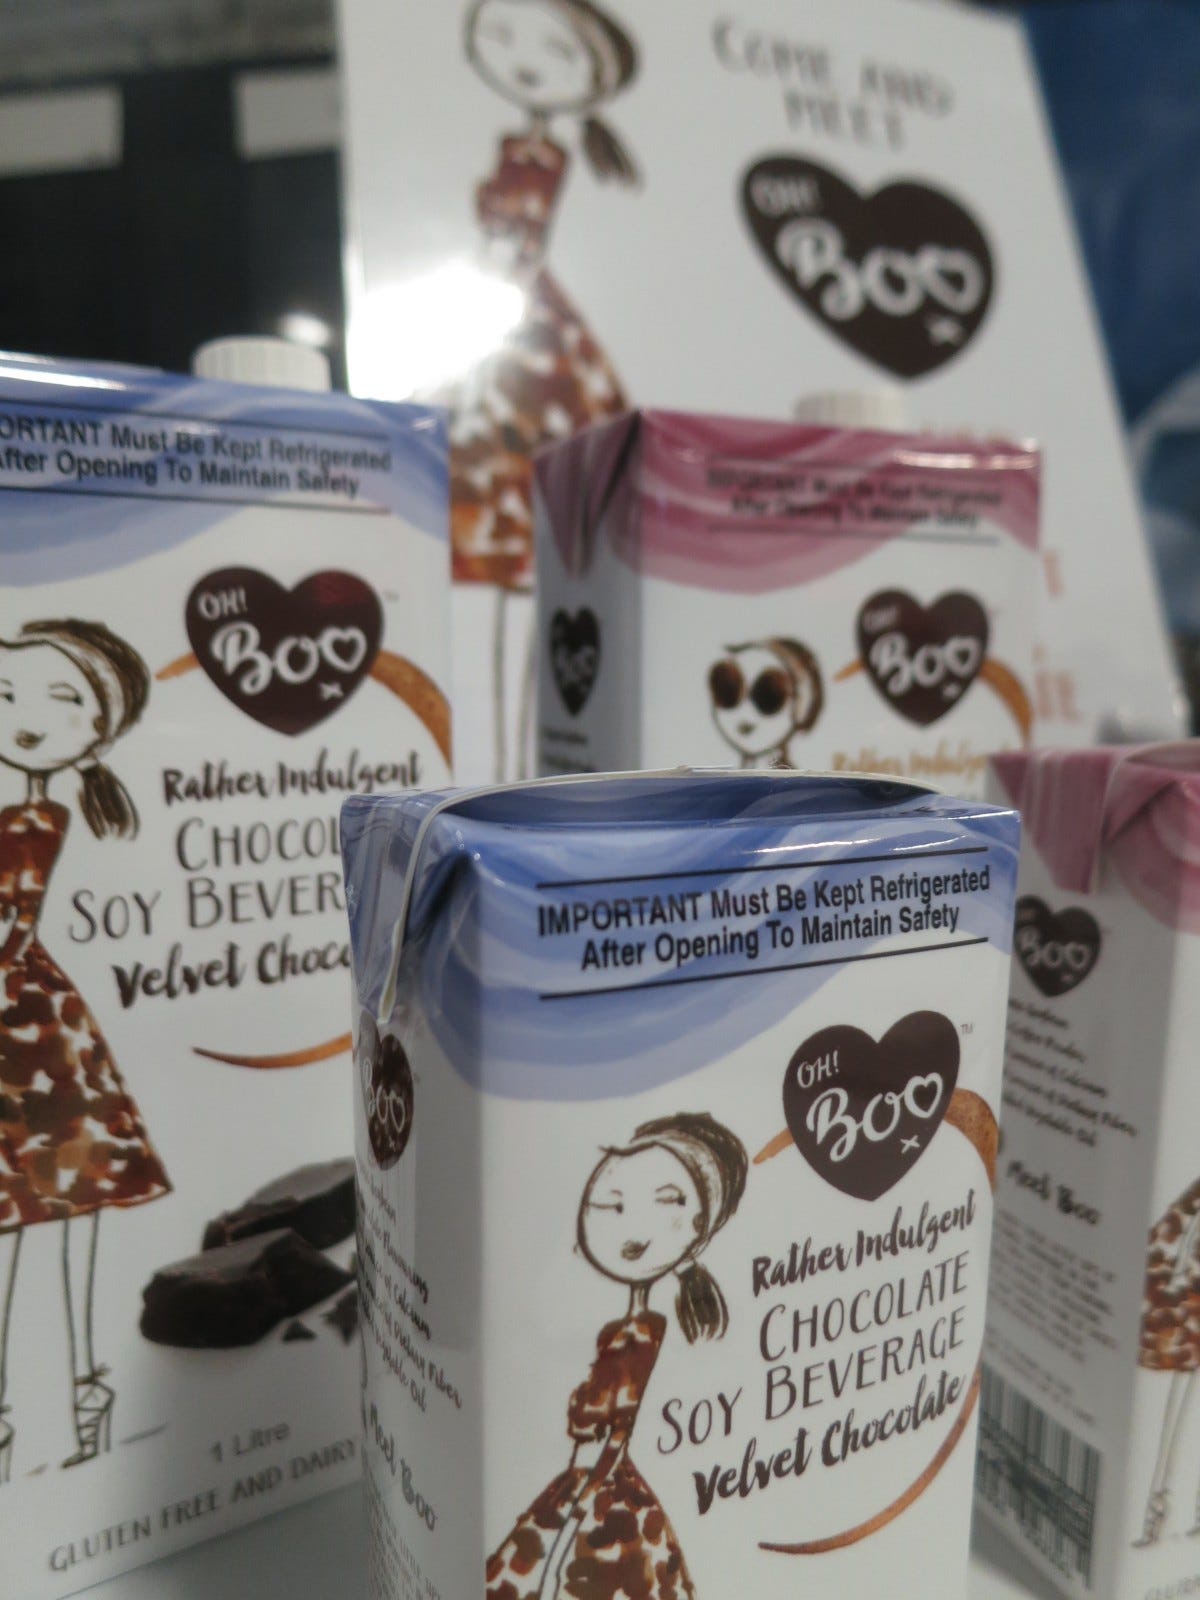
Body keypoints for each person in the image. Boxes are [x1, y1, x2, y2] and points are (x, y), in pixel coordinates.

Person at [0, 618, 170, 1482]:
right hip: (38, 1025)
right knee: (58, 1213)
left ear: (100, 728)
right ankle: (71, 1401)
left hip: (27, 1032)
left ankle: (60, 1406)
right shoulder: (32, 811)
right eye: (6, 694)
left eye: (60, 697)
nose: (25, 716)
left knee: (48, 1213)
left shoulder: (32, 821)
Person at [486, 1112, 747, 1600]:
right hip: (587, 1476)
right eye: (610, 1204)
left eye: (667, 1201)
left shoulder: (641, 1336)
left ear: (699, 1232)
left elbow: (616, 1429)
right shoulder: (618, 1331)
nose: (633, 1225)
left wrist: (585, 1494)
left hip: (599, 1480)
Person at [708, 639, 825, 769]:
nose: (745, 712)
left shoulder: (785, 776)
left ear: (800, 708)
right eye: (728, 687)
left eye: (768, 695)